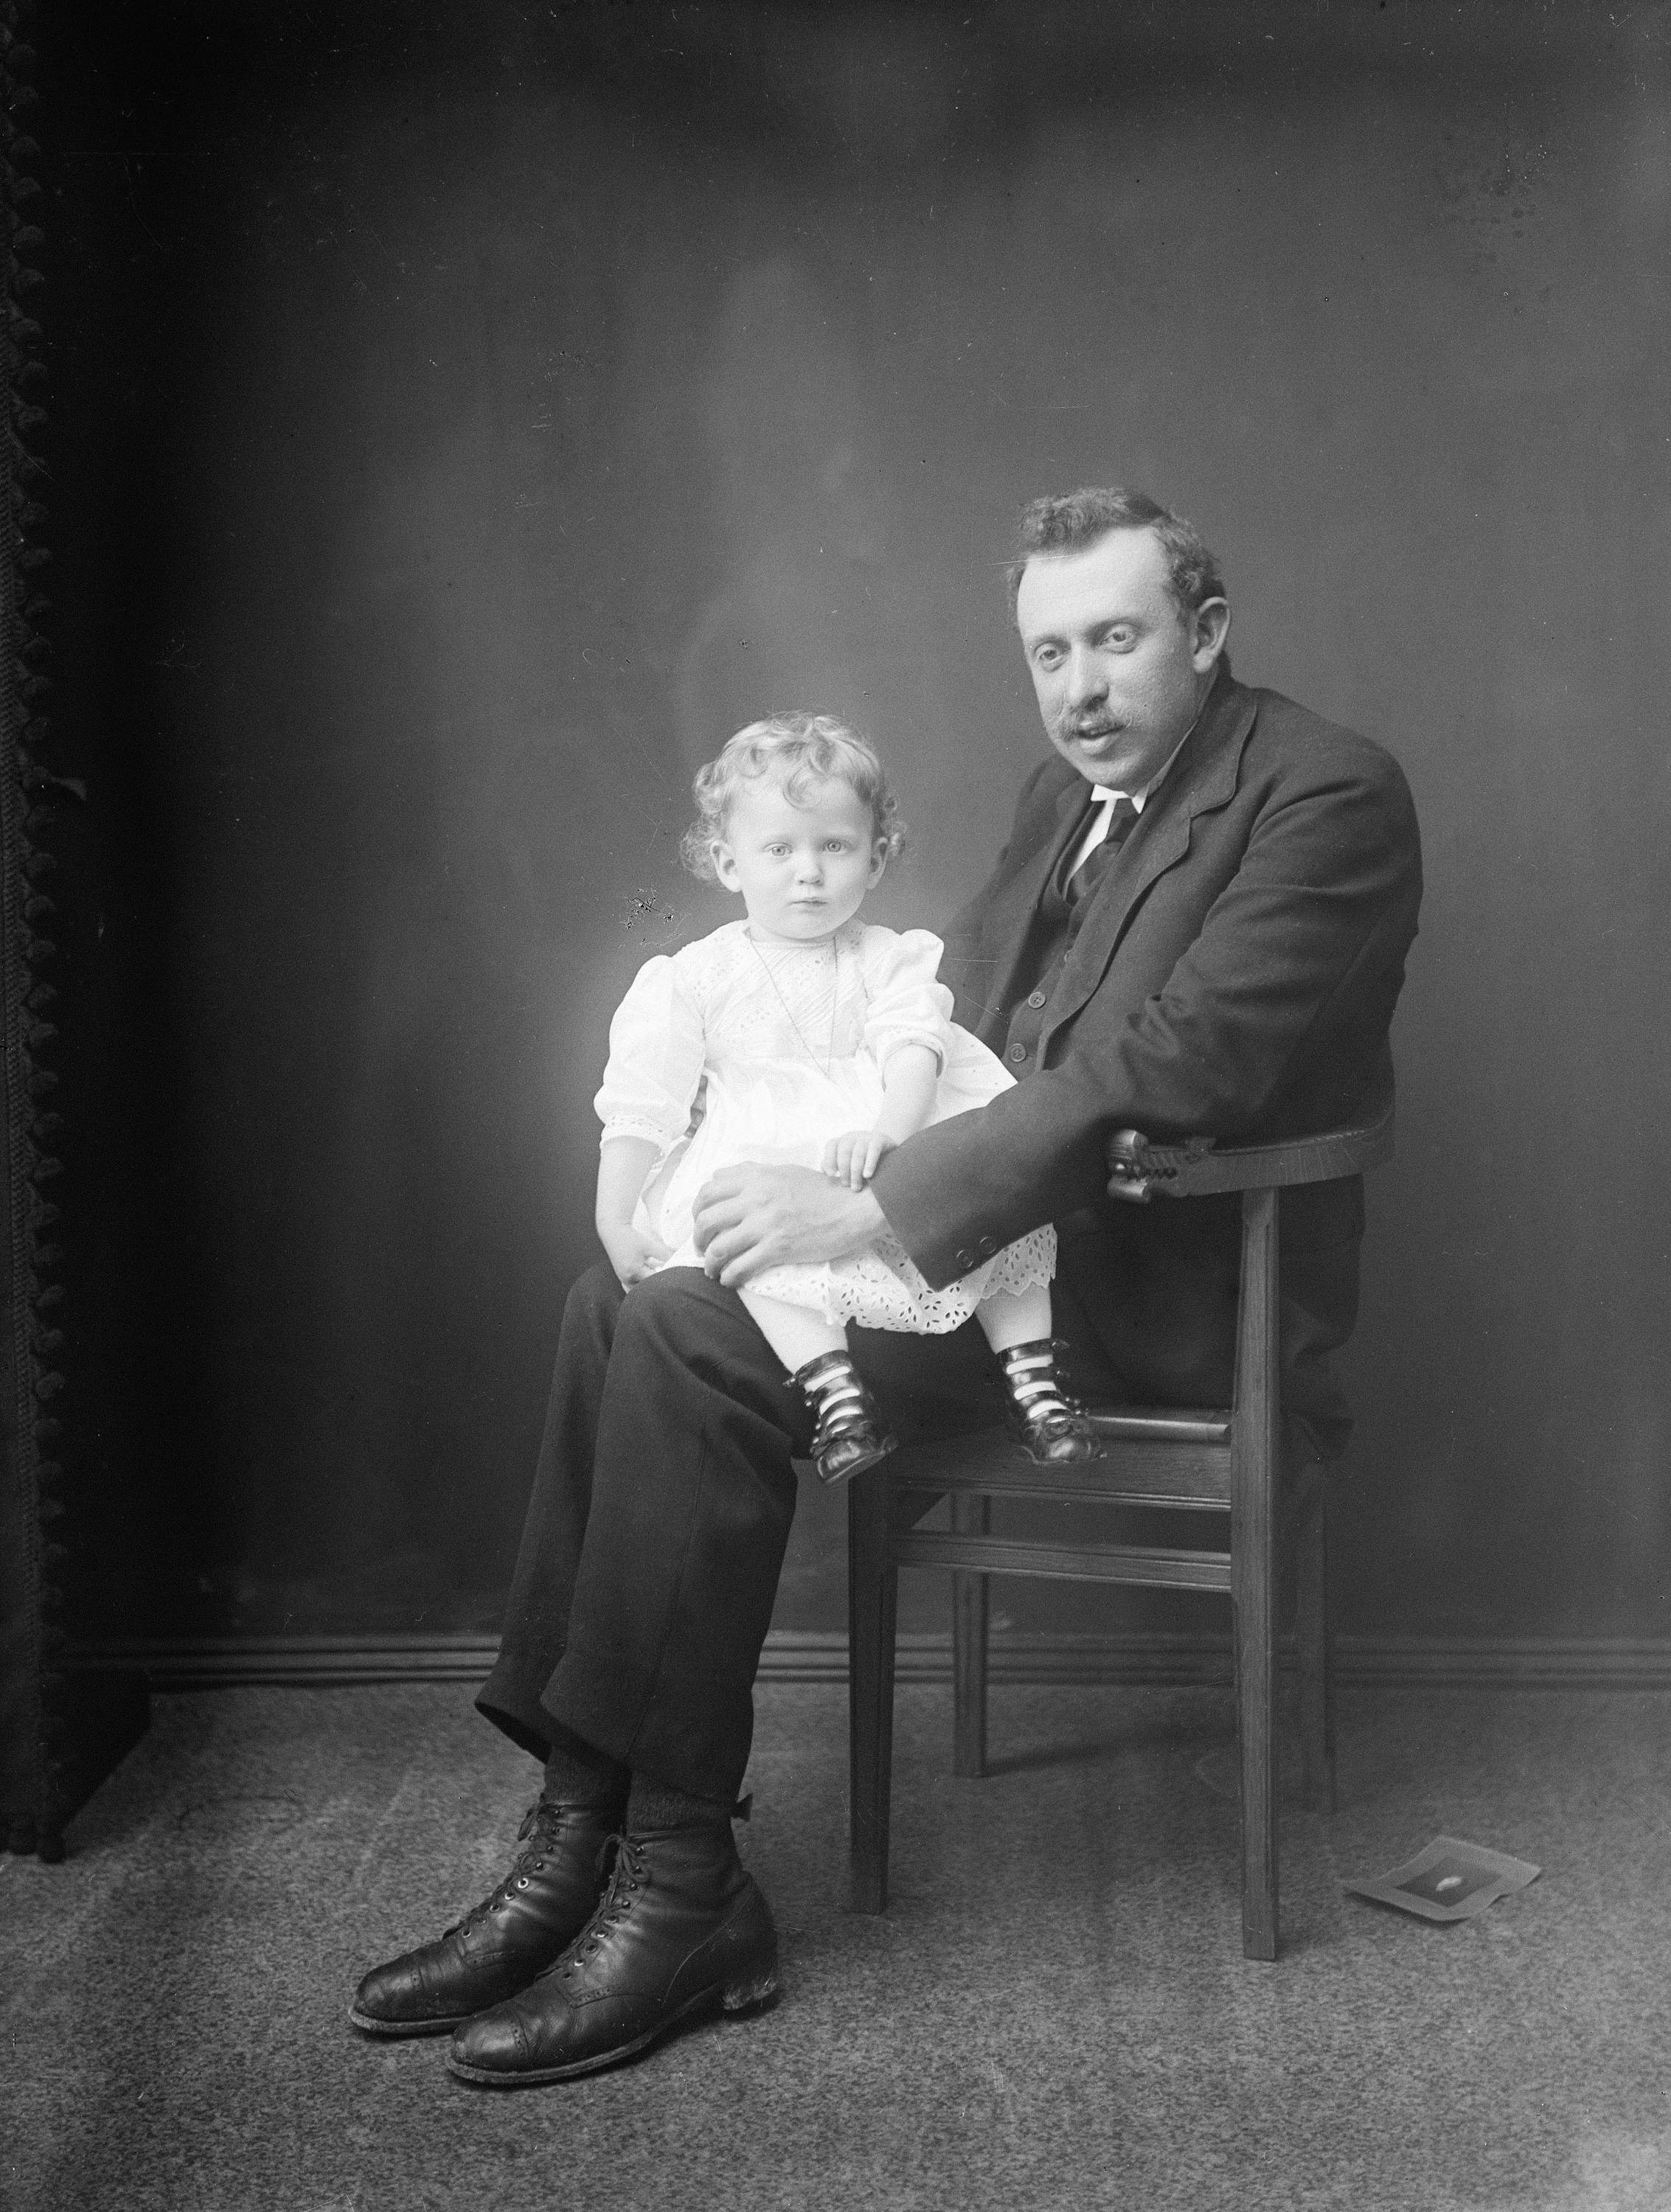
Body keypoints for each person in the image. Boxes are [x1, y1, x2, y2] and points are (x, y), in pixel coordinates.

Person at [350, 486, 1421, 2090]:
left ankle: (681, 1883)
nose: (1076, 688)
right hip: (978, 1250)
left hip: (1152, 1291)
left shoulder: (1322, 793)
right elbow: (938, 1010)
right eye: (1048, 651)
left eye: (1115, 639)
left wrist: (851, 1208)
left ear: (1203, 635)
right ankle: (583, 1838)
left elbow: (1172, 1061)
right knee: (622, 1300)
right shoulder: (1063, 800)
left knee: (689, 1321)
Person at [593, 710, 1096, 1483]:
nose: (809, 872)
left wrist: (891, 1136)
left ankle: (1033, 1382)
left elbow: (913, 1052)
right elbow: (643, 1104)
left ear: (876, 856)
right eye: (778, 850)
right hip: (770, 1157)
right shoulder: (691, 978)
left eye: (834, 846)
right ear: (729, 864)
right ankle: (836, 1396)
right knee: (751, 1242)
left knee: (1002, 1224)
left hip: (882, 1155)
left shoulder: (891, 959)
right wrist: (615, 1217)